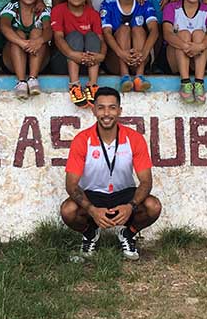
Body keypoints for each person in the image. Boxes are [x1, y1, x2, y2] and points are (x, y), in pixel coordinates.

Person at [61, 86, 162, 260]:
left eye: (112, 107)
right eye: (101, 107)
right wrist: (91, 209)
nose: (106, 113)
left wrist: (130, 206)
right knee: (68, 210)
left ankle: (128, 234)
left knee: (153, 206)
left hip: (124, 195)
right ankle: (90, 233)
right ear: (93, 110)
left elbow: (146, 182)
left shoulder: (135, 139)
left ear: (120, 111)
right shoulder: (82, 140)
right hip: (93, 195)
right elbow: (71, 184)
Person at [50, 0, 106, 108]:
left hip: (88, 63)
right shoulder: (58, 10)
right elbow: (58, 38)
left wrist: (101, 56)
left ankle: (92, 85)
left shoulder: (93, 14)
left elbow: (101, 40)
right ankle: (74, 85)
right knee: (75, 36)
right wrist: (72, 54)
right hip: (64, 62)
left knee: (92, 36)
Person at [162, 0, 207, 104]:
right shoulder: (171, 8)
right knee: (184, 34)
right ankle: (185, 83)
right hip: (176, 59)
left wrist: (200, 46)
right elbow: (167, 33)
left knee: (199, 34)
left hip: (198, 59)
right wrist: (185, 46)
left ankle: (199, 83)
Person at [100, 0, 159, 93]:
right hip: (116, 59)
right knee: (124, 29)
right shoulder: (108, 4)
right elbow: (106, 33)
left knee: (138, 29)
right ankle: (124, 77)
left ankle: (139, 77)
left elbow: (154, 30)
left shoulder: (144, 4)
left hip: (140, 59)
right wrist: (122, 53)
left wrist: (144, 52)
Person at [0, 0, 52, 99]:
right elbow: (4, 27)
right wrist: (23, 43)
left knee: (37, 32)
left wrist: (38, 41)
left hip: (39, 62)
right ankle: (21, 82)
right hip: (12, 62)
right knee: (19, 33)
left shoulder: (43, 11)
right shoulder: (12, 7)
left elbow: (49, 30)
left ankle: (33, 79)